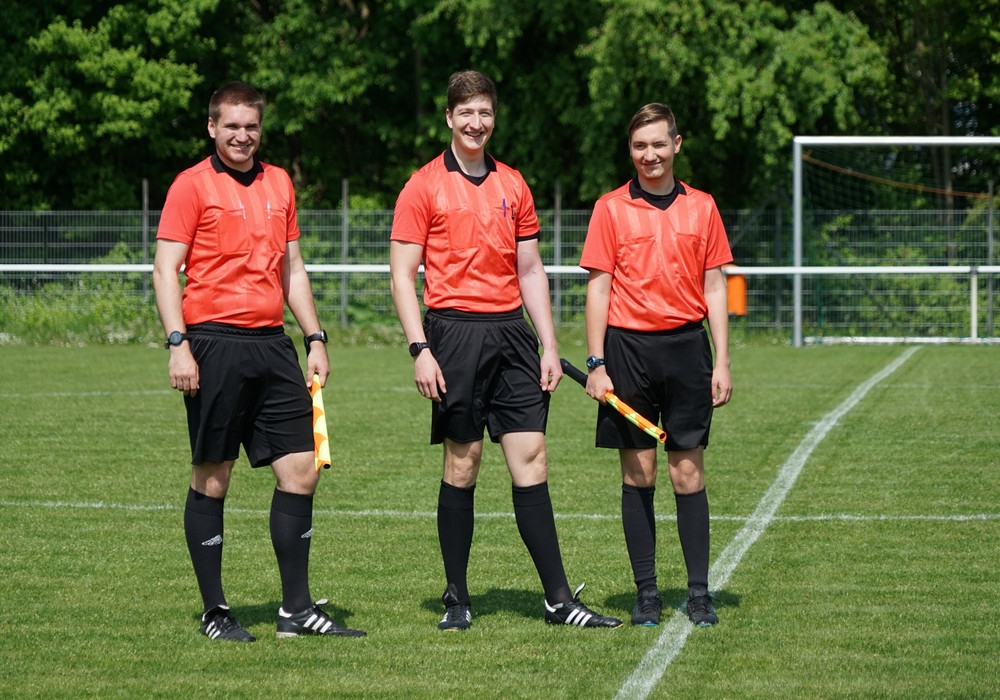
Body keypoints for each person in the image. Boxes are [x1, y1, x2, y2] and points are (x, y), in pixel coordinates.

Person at [389, 70, 622, 631]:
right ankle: (457, 597)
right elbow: (401, 275)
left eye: (485, 113)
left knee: (532, 457)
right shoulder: (422, 186)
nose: (476, 123)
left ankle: (558, 600)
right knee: (463, 462)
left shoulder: (513, 184)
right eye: (466, 112)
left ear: (494, 117)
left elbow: (531, 269)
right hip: (452, 335)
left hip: (513, 336)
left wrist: (549, 344)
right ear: (449, 117)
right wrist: (420, 348)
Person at [153, 81, 365, 642]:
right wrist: (178, 343)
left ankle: (296, 611)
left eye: (251, 126)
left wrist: (314, 336)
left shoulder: (279, 182)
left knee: (302, 470)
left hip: (273, 345)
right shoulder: (190, 185)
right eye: (231, 125)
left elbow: (292, 268)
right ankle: (215, 611)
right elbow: (165, 268)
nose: (242, 135)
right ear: (212, 127)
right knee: (213, 476)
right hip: (213, 343)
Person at [579, 103, 733, 627]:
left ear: (676, 144)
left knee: (687, 471)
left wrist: (722, 361)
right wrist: (596, 363)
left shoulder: (703, 207)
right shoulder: (609, 208)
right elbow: (598, 288)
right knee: (639, 472)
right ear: (631, 150)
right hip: (628, 353)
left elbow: (715, 286)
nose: (650, 155)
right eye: (640, 146)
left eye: (659, 144)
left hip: (688, 351)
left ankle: (698, 594)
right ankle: (647, 593)